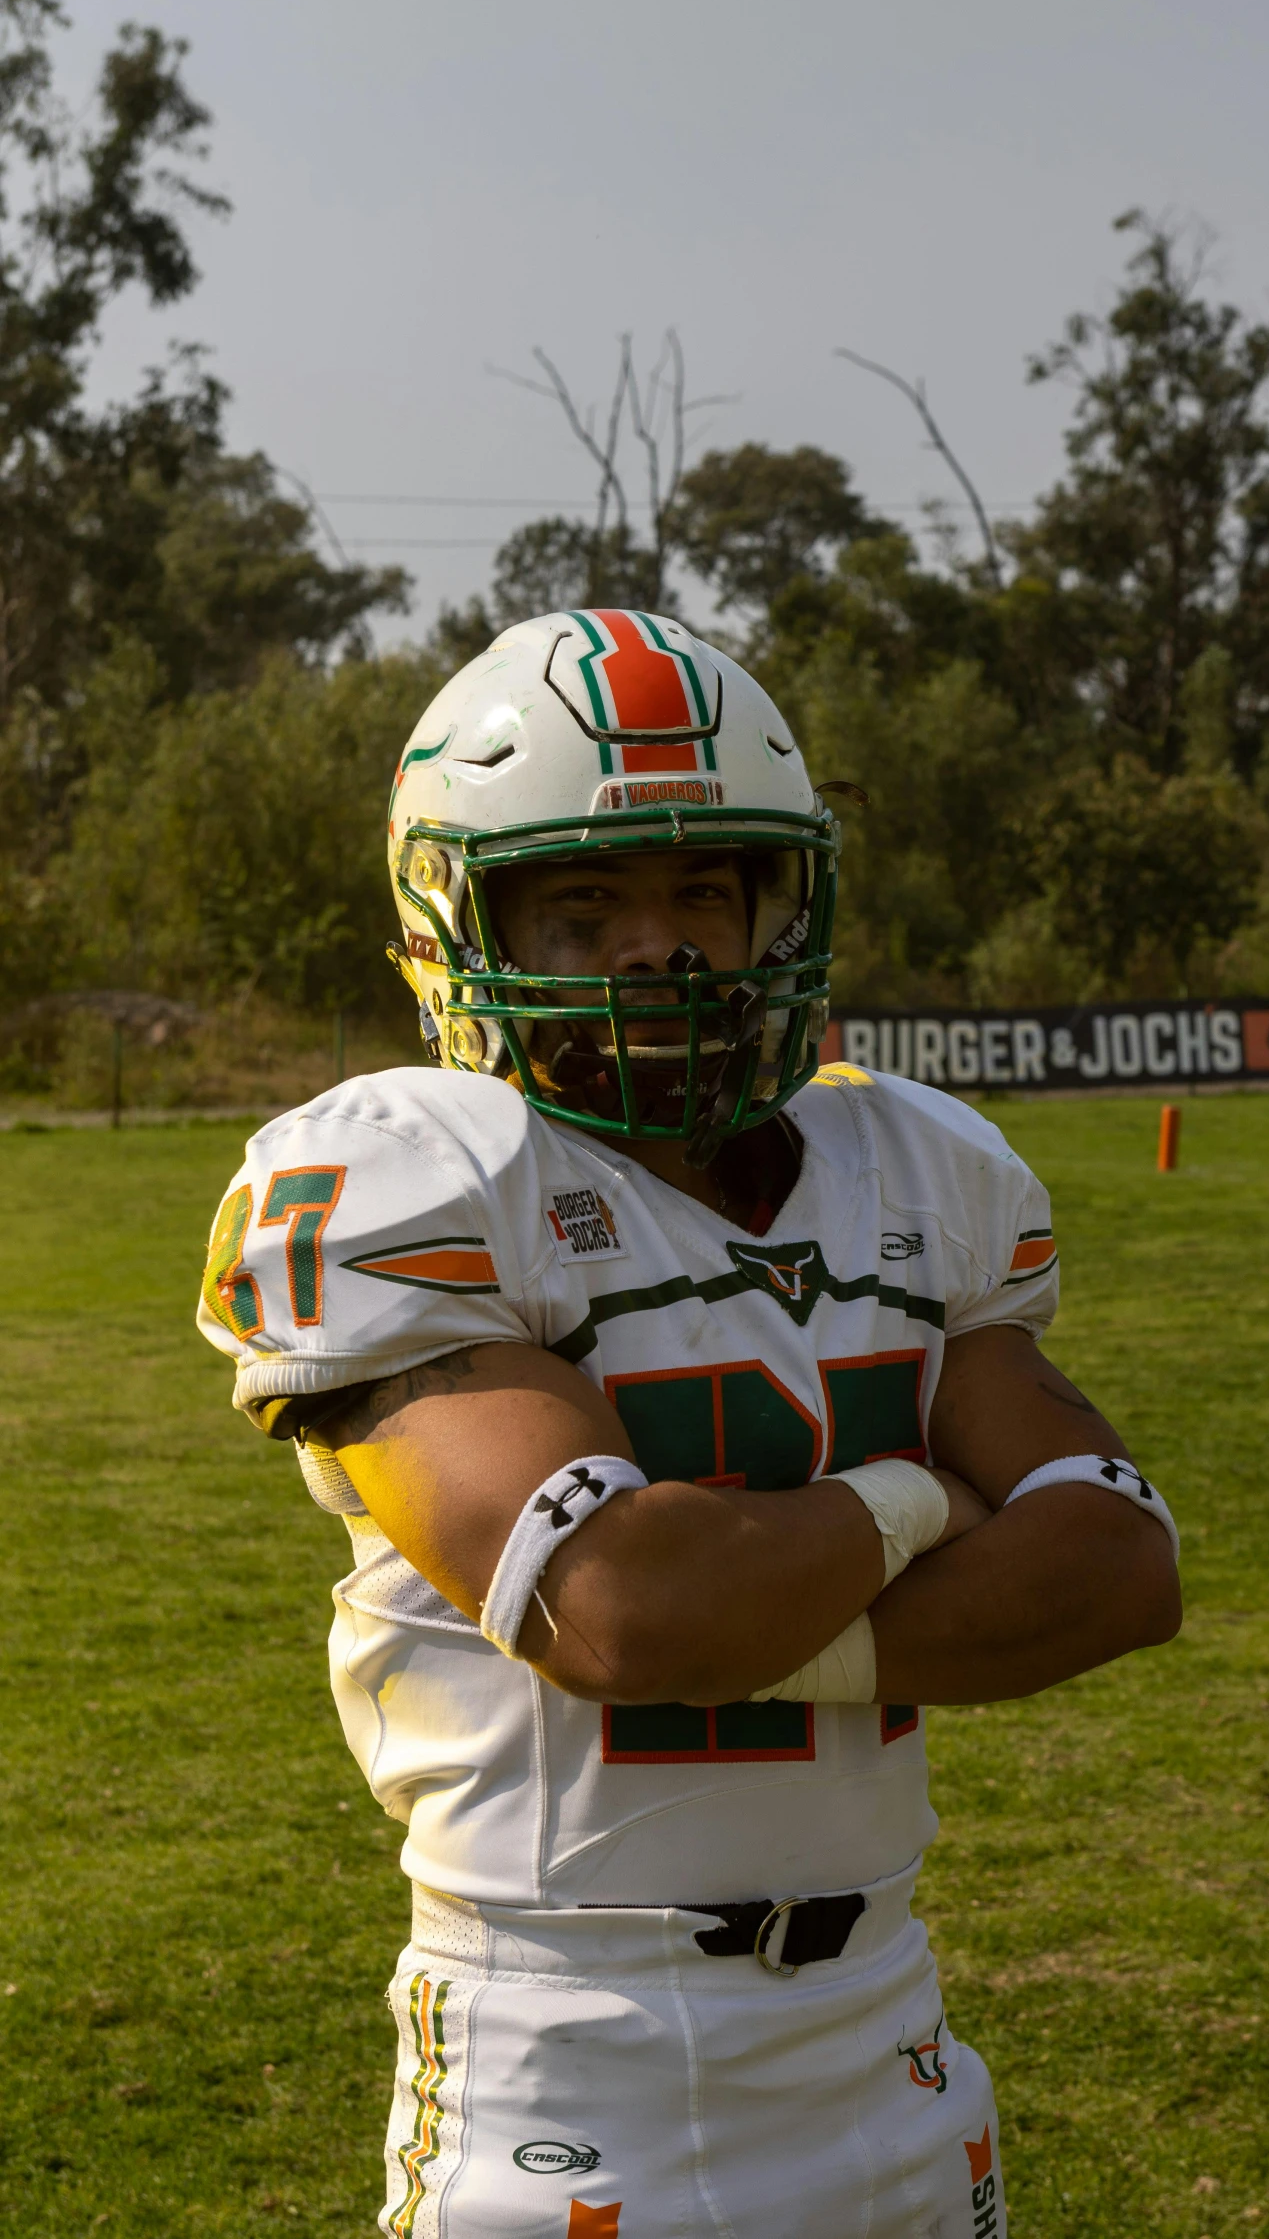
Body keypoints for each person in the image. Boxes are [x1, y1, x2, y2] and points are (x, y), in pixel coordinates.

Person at [197, 606, 1181, 2239]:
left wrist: (771, 1591)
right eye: (584, 903)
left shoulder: (912, 1165)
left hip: (888, 2027)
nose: (664, 947)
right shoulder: (412, 1172)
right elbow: (625, 1605)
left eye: (704, 891)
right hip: (569, 2053)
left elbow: (1118, 1568)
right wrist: (914, 1496)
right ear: (457, 917)